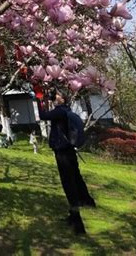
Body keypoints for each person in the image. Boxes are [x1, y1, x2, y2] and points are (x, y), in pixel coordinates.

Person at [36, 86, 95, 234]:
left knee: (67, 181)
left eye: (55, 95)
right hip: (69, 150)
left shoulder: (60, 111)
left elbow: (43, 116)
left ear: (61, 98)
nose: (53, 97)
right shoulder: (66, 111)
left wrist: (37, 98)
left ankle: (76, 219)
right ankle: (87, 201)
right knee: (75, 176)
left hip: (62, 151)